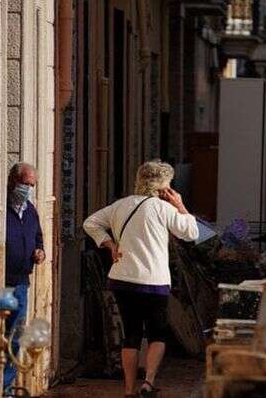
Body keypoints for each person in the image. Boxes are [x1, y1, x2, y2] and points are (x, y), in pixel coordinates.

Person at [83, 161, 199, 397]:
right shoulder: (163, 208)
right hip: (154, 280)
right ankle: (148, 382)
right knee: (158, 333)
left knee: (131, 334)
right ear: (164, 186)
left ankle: (128, 389)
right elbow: (192, 233)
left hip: (122, 279)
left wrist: (109, 244)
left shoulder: (120, 205)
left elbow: (90, 223)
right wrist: (180, 205)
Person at [4, 162, 45, 393]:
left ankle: (6, 386)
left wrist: (40, 252)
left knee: (15, 337)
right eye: (25, 184)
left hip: (21, 282)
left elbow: (38, 238)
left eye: (32, 185)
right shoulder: (2, 209)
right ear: (13, 182)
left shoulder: (30, 210)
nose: (28, 189)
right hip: (2, 283)